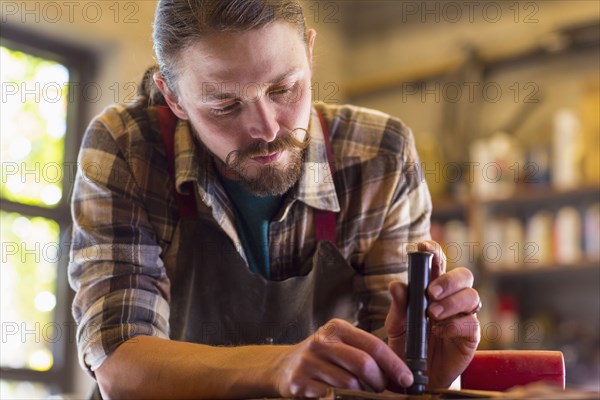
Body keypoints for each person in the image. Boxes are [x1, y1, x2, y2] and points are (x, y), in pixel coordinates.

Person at [69, 0, 481, 398]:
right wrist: (277, 366)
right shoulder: (128, 147)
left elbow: (393, 375)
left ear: (310, 53)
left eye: (284, 88)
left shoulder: (380, 158)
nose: (266, 128)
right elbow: (119, 363)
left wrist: (425, 371)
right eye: (225, 104)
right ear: (173, 96)